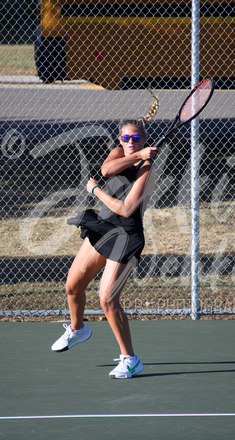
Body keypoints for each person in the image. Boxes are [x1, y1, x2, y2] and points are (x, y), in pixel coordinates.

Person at [51, 118, 158, 379]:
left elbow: (125, 208)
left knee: (108, 299)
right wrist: (134, 155)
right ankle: (78, 329)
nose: (130, 143)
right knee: (73, 286)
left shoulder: (147, 167)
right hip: (103, 227)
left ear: (144, 140)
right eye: (125, 138)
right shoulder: (120, 153)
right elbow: (107, 169)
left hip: (127, 235)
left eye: (136, 138)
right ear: (120, 140)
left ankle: (131, 359)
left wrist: (95, 191)